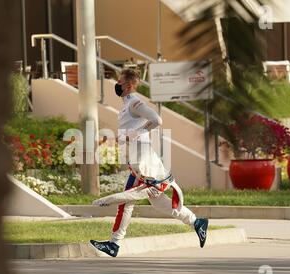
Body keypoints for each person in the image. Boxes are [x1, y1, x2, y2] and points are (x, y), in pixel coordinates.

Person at [90, 68, 209, 258]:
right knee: (158, 204)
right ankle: (196, 222)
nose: (117, 85)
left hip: (143, 166)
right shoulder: (127, 104)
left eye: (120, 82)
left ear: (128, 85)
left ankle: (114, 244)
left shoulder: (134, 102)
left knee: (125, 202)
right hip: (138, 165)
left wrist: (139, 132)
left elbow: (156, 119)